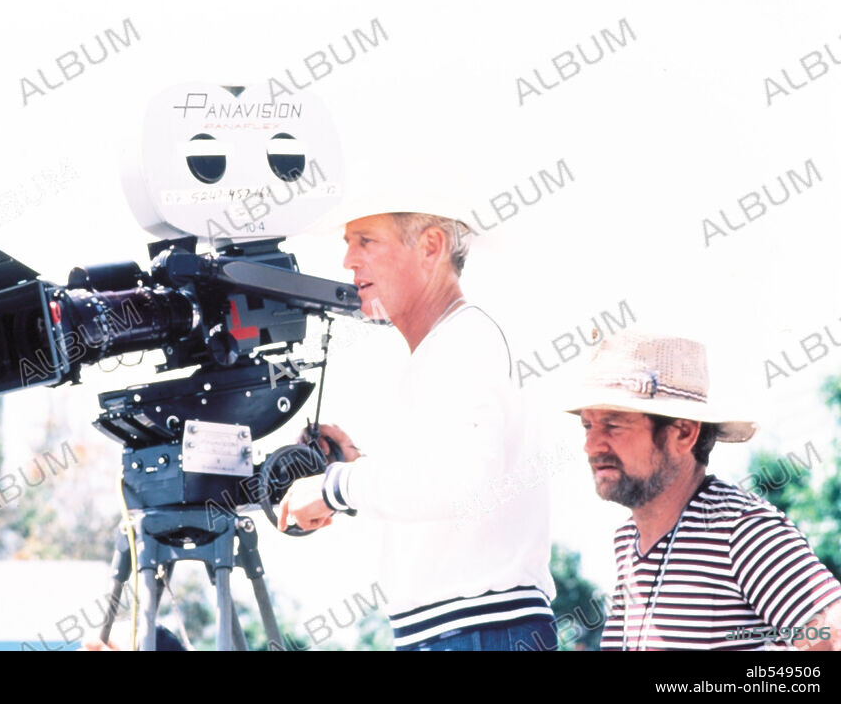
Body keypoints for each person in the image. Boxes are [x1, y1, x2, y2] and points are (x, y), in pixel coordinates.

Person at [278, 210, 557, 651]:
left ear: (431, 247)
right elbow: (442, 486)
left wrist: (336, 485)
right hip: (461, 631)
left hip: (477, 631)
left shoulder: (463, 339)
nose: (348, 260)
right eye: (348, 242)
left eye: (366, 241)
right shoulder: (446, 345)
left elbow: (463, 483)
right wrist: (355, 468)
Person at [564, 331, 841, 650]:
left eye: (613, 424)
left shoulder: (741, 528)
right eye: (588, 425)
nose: (590, 446)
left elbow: (830, 636)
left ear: (683, 432)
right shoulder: (628, 540)